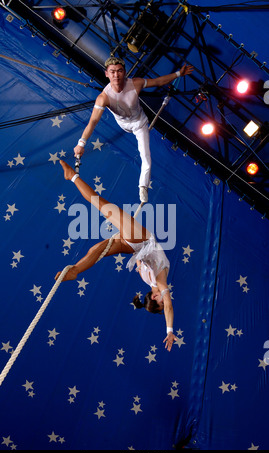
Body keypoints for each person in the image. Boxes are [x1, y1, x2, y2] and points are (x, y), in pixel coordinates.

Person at [55, 160, 177, 351]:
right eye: (164, 302)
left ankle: (72, 176)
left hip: (139, 240)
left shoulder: (160, 283)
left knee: (99, 203)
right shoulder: (150, 281)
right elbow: (141, 261)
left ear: (155, 298)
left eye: (160, 303)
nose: (165, 299)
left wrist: (169, 330)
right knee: (98, 249)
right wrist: (139, 260)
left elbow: (169, 306)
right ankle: (76, 270)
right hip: (134, 245)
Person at [74, 57, 194, 203]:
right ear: (107, 74)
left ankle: (142, 187)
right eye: (112, 72)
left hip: (140, 123)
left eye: (119, 71)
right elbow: (92, 122)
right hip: (123, 124)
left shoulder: (135, 83)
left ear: (124, 72)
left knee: (146, 158)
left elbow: (158, 81)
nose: (116, 75)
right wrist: (81, 143)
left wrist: (178, 74)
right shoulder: (103, 97)